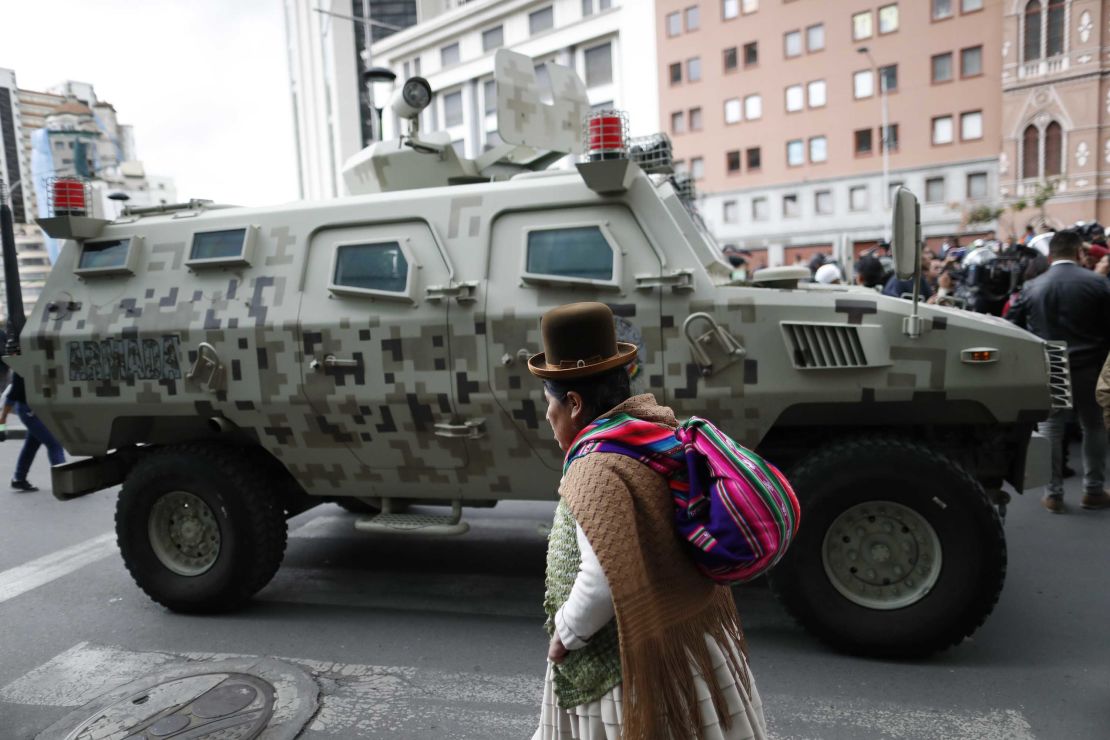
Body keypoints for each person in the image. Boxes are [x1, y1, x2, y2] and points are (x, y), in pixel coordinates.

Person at [529, 302, 766, 740]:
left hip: (628, 658)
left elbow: (600, 581)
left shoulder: (597, 467)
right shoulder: (654, 431)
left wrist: (565, 632)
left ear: (575, 403)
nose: (548, 415)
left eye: (550, 403)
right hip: (688, 636)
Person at [1008, 230, 1110, 512]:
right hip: (1091, 365)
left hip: (1050, 363)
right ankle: (1094, 489)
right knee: (1095, 427)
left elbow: (1011, 323)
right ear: (1080, 253)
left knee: (1051, 429)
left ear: (1050, 255)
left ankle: (1053, 494)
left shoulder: (1032, 286)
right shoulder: (1098, 283)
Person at [0, 372, 66, 491]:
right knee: (54, 443)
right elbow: (12, 395)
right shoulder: (22, 368)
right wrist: (2, 423)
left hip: (38, 408)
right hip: (29, 410)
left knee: (32, 444)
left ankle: (19, 478)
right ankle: (65, 484)